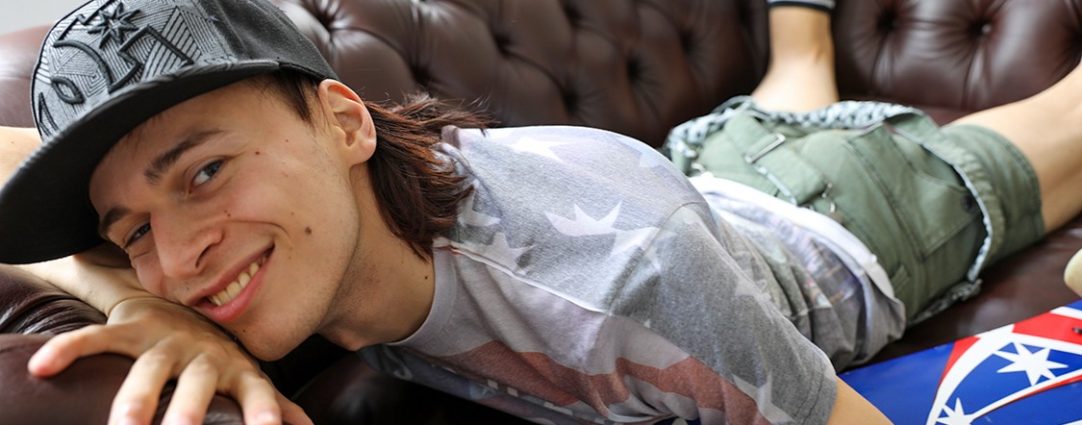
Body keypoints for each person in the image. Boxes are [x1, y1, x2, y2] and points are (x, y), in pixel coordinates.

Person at [1, 0, 1080, 424]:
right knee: (790, 83)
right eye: (130, 227)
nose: (178, 254)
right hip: (699, 166)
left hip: (840, 214)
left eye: (201, 173)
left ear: (344, 120)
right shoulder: (278, 232)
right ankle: (799, 39)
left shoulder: (628, 283)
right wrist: (138, 302)